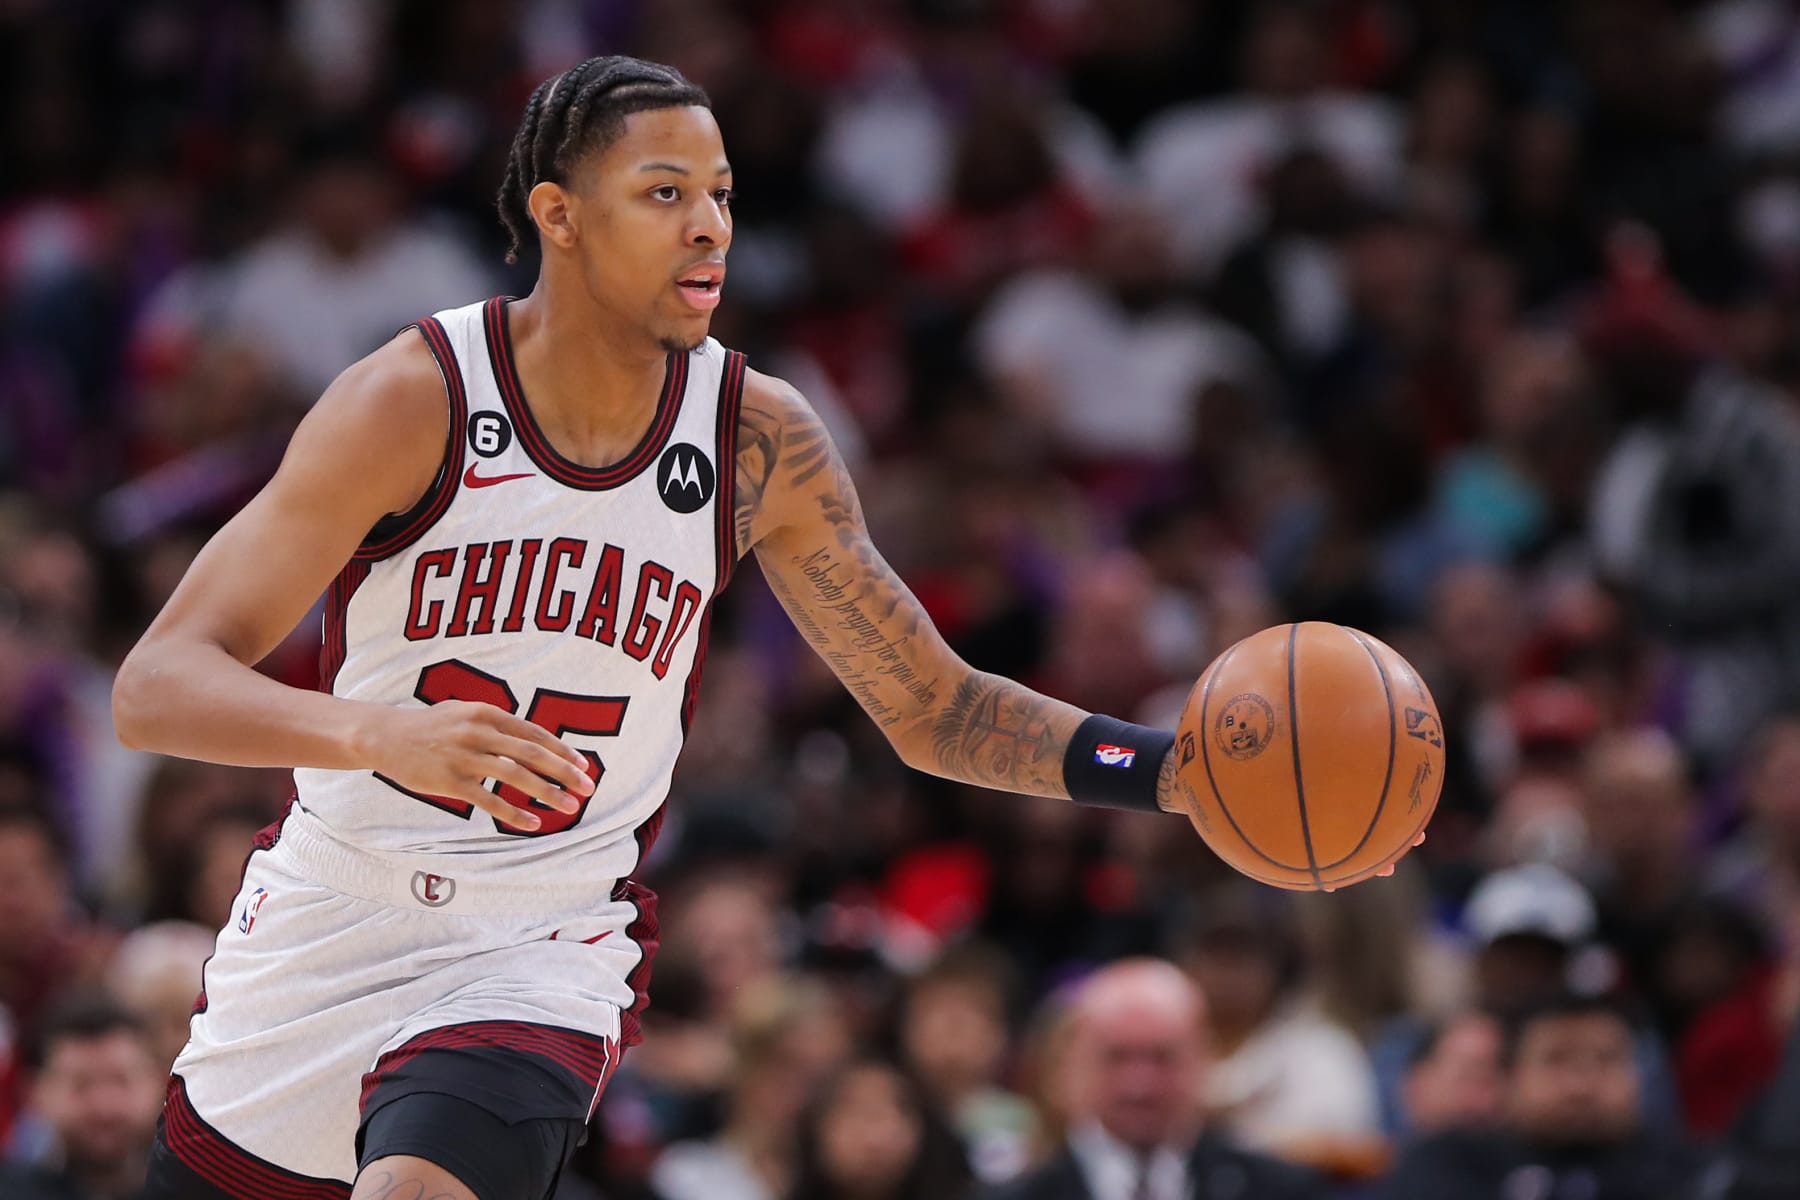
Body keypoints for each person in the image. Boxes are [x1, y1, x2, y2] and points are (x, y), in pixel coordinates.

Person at [114, 55, 1424, 1200]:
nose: (710, 230)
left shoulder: (757, 441)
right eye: (666, 194)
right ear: (557, 218)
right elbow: (159, 683)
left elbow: (933, 706)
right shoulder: (415, 399)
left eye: (724, 194)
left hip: (537, 945)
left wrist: (1164, 770)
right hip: (332, 909)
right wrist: (371, 731)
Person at [979, 958, 1323, 1200]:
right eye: (1117, 1057)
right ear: (1074, 1064)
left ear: (1203, 1059)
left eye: (1162, 1057)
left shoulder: (1281, 1190)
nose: (1139, 1085)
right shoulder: (1011, 1196)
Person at [1376, 993, 1703, 1200]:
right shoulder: (1447, 1163)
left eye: (1606, 1059)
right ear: (1510, 1076)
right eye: (1556, 1059)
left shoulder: (1695, 1173)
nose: (1581, 1085)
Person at [1, 994, 165, 1200]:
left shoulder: (199, 1189)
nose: (103, 1106)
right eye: (81, 1084)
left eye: (121, 1081)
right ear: (35, 1092)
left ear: (160, 1083)